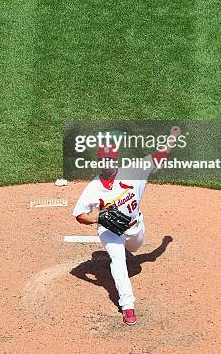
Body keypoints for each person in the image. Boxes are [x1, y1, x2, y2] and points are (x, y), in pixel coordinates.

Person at [72, 125, 181, 325]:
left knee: (135, 253)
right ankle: (128, 305)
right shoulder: (93, 187)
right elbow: (79, 214)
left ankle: (125, 249)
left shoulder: (135, 171)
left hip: (135, 228)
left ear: (116, 160)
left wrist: (173, 136)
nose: (106, 164)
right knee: (118, 260)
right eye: (102, 160)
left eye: (109, 160)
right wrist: (98, 219)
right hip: (110, 231)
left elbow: (162, 153)